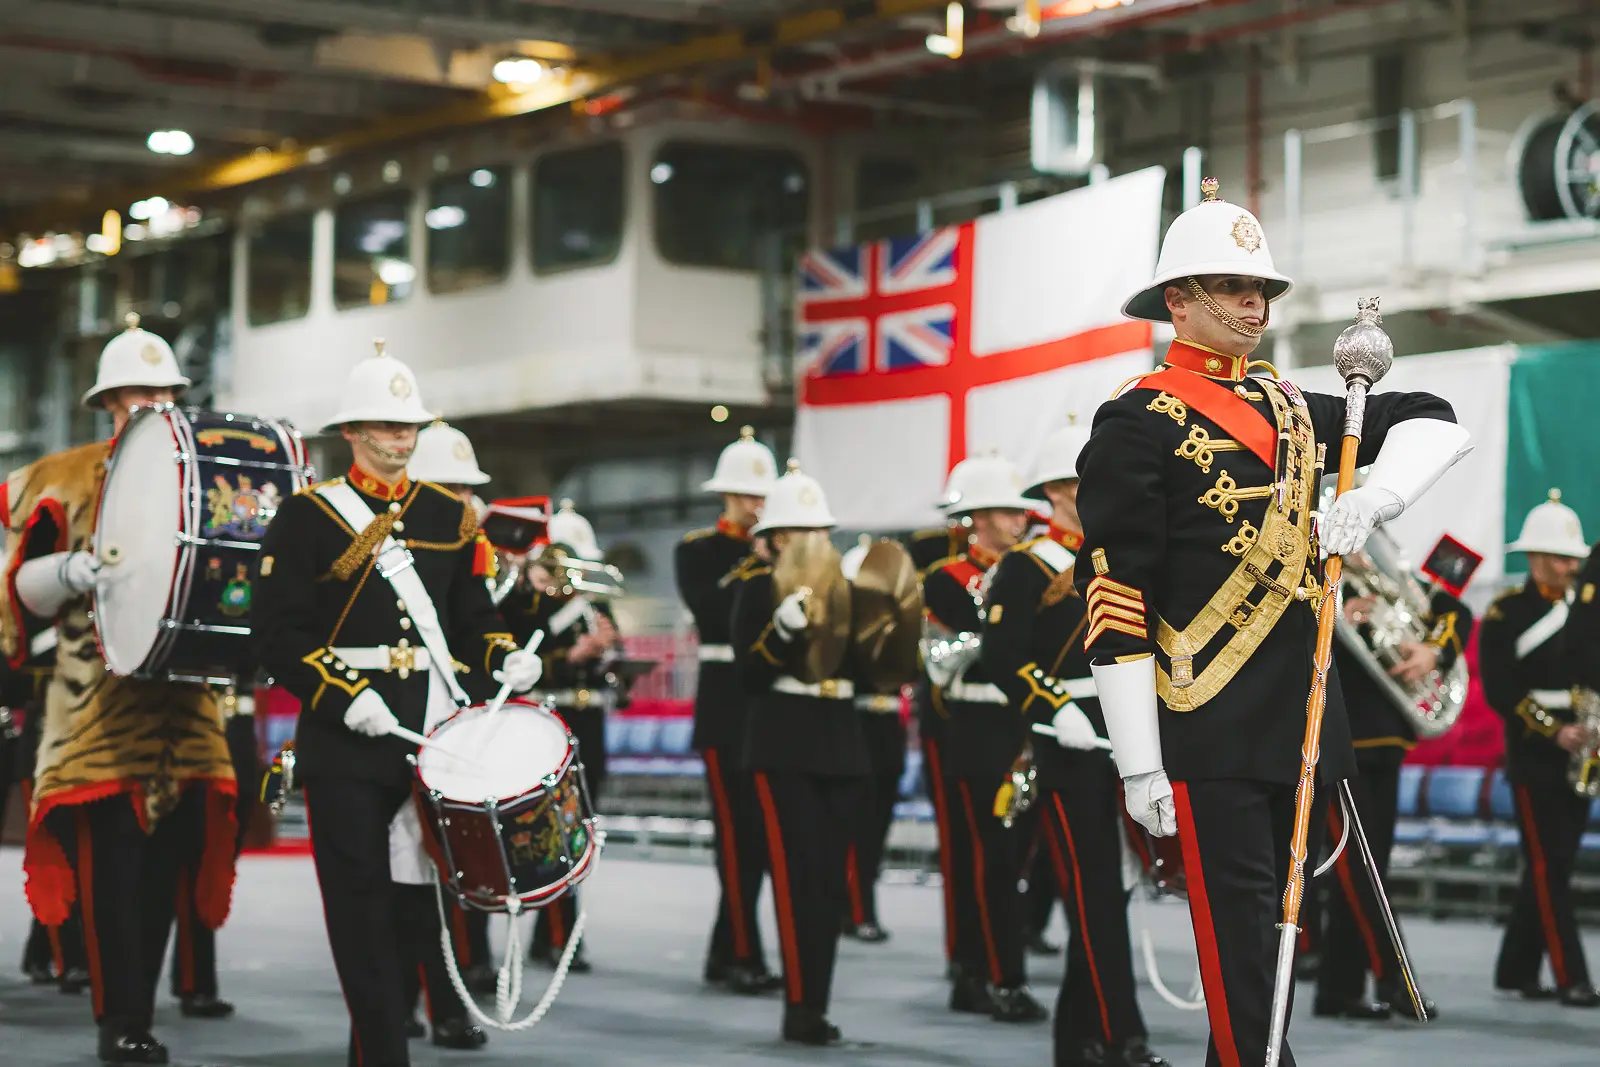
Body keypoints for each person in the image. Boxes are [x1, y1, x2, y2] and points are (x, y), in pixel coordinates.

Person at [1075, 178, 1469, 1067]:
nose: (1255, 306)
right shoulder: (1134, 421)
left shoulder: (1295, 407)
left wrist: (1374, 498)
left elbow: (1439, 423)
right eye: (1234, 289)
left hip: (1301, 725)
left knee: (1276, 951)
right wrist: (1139, 761)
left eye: (1262, 291)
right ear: (1179, 300)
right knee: (1245, 959)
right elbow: (1116, 596)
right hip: (1205, 724)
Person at [253, 341, 543, 1067]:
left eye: (409, 425)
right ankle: (384, 1053)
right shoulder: (307, 517)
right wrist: (343, 695)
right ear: (351, 431)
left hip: (429, 739)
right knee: (359, 914)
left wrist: (505, 655)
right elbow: (279, 634)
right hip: (347, 739)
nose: (401, 437)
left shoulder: (450, 516)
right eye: (384, 425)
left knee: (421, 906)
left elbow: (473, 620)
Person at [0, 314, 240, 1065]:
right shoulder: (65, 475)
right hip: (97, 711)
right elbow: (20, 592)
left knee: (166, 872)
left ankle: (142, 1005)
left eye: (161, 394)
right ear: (108, 403)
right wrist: (71, 571)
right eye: (134, 395)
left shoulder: (210, 474)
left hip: (187, 710)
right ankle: (121, 1018)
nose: (148, 406)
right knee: (113, 881)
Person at [984, 423, 1167, 1067]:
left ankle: (1078, 1036)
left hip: (1129, 735)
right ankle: (1124, 1032)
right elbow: (1001, 658)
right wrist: (1054, 708)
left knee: (1116, 886)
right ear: (1061, 490)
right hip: (1068, 741)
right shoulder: (1028, 565)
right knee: (1091, 890)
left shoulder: (1123, 557)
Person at [730, 461, 868, 1045]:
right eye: (801, 532)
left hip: (840, 737)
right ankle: (799, 1005)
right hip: (783, 738)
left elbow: (880, 672)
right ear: (777, 538)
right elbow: (747, 672)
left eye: (819, 532)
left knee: (830, 883)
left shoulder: (849, 592)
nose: (814, 542)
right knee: (794, 875)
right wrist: (783, 631)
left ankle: (818, 999)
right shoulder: (754, 588)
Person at [1315, 530, 1475, 1021]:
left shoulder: (1391, 574)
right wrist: (1336, 609)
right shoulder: (1314, 570)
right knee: (1359, 868)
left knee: (1367, 868)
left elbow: (1457, 613)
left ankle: (1339, 991)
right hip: (1334, 740)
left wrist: (1433, 653)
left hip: (1385, 738)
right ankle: (1393, 976)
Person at [920, 453, 1047, 1022]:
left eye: (1020, 511)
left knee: (1017, 859)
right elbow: (946, 660)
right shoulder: (946, 580)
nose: (1020, 521)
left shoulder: (1035, 570)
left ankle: (979, 968)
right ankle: (997, 977)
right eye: (1006, 511)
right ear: (977, 517)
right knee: (989, 859)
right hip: (977, 727)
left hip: (1028, 723)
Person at [673, 426, 783, 993]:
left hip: (766, 706)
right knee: (737, 842)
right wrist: (758, 563)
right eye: (747, 496)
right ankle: (742, 952)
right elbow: (713, 613)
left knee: (758, 842)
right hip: (722, 707)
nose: (757, 505)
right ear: (726, 496)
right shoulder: (698, 550)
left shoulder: (782, 550)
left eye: (762, 496)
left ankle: (726, 952)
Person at [1480, 490, 1599, 1007]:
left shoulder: (1588, 609)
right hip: (1535, 754)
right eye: (1557, 557)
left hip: (1584, 752)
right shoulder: (1506, 613)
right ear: (1532, 558)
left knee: (1553, 865)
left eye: (1573, 558)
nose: (1568, 566)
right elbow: (1501, 689)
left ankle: (1515, 969)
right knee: (1549, 867)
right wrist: (1553, 730)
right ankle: (1572, 976)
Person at [499, 499, 619, 973]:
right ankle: (553, 933)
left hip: (591, 718)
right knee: (550, 832)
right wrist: (573, 651)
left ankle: (561, 933)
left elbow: (610, 660)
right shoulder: (530, 603)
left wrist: (609, 654)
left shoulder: (595, 604)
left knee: (580, 827)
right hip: (549, 716)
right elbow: (527, 654)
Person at [405, 419, 500, 1009]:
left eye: (467, 491)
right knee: (406, 877)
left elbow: (479, 624)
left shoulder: (472, 546)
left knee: (464, 863)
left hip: (462, 721)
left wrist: (507, 660)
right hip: (405, 717)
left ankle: (453, 992)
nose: (464, 502)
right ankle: (411, 997)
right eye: (451, 489)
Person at [166, 686, 262, 1020]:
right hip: (193, 727)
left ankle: (193, 977)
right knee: (197, 861)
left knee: (214, 861)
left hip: (238, 729)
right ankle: (194, 982)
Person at [904, 516, 967, 976]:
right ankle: (964, 954)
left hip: (1011, 719)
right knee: (960, 844)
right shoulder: (939, 575)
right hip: (950, 718)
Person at [839, 535, 906, 944]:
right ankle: (855, 908)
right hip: (857, 721)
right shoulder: (844, 626)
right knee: (857, 827)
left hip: (887, 726)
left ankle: (859, 905)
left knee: (877, 826)